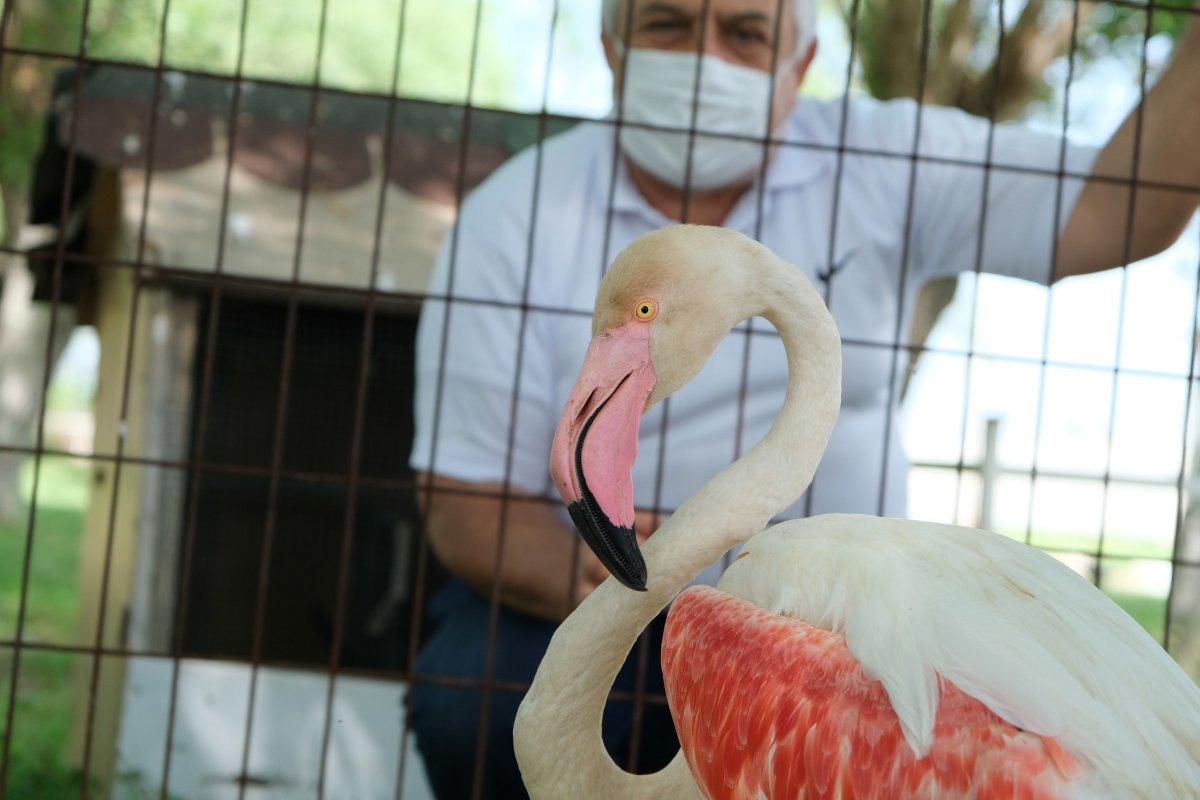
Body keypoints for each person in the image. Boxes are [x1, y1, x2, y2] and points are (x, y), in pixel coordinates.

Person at [407, 0, 1200, 796]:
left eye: (744, 32)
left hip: (817, 634)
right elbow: (458, 492)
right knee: (466, 699)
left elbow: (1118, 207)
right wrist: (596, 576)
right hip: (595, 582)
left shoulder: (883, 157)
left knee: (726, 656)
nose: (703, 58)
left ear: (802, 61)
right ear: (610, 47)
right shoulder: (514, 214)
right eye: (667, 25)